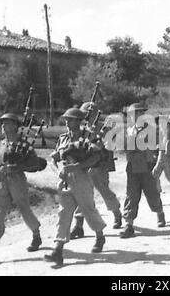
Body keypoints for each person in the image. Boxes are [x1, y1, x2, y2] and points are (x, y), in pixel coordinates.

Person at [0, 113, 42, 265]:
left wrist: (16, 167)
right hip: (1, 182)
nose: (3, 126)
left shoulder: (25, 145)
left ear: (15, 126)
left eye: (7, 123)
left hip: (17, 181)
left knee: (25, 210)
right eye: (2, 124)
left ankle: (36, 234)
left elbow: (35, 163)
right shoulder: (1, 145)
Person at [44, 108, 106, 266]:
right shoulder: (63, 138)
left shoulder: (88, 137)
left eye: (70, 119)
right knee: (63, 214)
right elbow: (53, 158)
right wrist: (58, 171)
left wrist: (78, 166)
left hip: (82, 177)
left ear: (78, 121)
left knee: (88, 209)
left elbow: (97, 157)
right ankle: (58, 249)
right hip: (65, 180)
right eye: (66, 119)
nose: (66, 122)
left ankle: (99, 236)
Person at [69, 102, 122, 240]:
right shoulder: (81, 130)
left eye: (89, 114)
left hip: (99, 165)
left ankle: (116, 213)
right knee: (82, 195)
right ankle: (78, 225)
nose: (87, 117)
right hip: (84, 167)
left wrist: (101, 137)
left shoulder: (103, 128)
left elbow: (109, 146)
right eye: (84, 114)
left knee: (104, 191)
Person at [120, 103, 167, 239]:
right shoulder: (129, 130)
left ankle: (159, 211)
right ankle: (129, 225)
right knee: (131, 196)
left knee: (152, 195)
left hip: (148, 167)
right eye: (133, 114)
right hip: (133, 168)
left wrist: (159, 164)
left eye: (138, 113)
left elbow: (161, 148)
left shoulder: (152, 130)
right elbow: (123, 149)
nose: (135, 116)